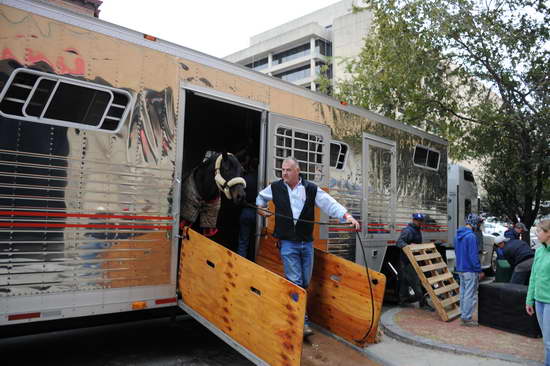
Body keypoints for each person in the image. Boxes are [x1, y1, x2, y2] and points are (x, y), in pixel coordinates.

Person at [256, 157, 360, 337]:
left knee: (304, 282)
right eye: (283, 170)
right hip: (287, 243)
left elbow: (329, 204)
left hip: (307, 244)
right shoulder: (275, 187)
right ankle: (300, 323)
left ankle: (290, 311)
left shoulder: (311, 189)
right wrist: (260, 208)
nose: (284, 173)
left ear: (298, 171)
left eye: (288, 170)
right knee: (296, 282)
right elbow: (260, 198)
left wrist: (347, 217)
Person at [526, 220, 550, 366]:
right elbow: (533, 276)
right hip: (539, 301)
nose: (536, 234)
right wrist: (530, 300)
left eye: (539, 231)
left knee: (548, 341)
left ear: (548, 233)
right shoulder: (539, 250)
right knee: (546, 340)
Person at [396, 213, 431, 311]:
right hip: (407, 261)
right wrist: (410, 246)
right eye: (418, 220)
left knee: (405, 282)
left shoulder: (417, 230)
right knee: (416, 282)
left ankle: (403, 301)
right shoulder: (408, 230)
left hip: (410, 260)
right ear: (414, 220)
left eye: (421, 221)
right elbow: (399, 242)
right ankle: (423, 303)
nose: (420, 222)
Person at [455, 213, 484, 326]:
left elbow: (457, 252)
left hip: (461, 268)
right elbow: (473, 256)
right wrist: (479, 270)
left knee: (463, 293)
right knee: (470, 294)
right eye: (478, 223)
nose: (478, 226)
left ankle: (463, 314)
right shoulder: (471, 236)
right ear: (474, 223)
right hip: (470, 270)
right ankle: (466, 318)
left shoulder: (457, 235)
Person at [237, 158, 258, 259]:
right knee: (256, 240)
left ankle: (241, 262)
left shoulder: (245, 179)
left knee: (243, 241)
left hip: (246, 210)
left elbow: (239, 197)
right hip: (259, 212)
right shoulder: (261, 178)